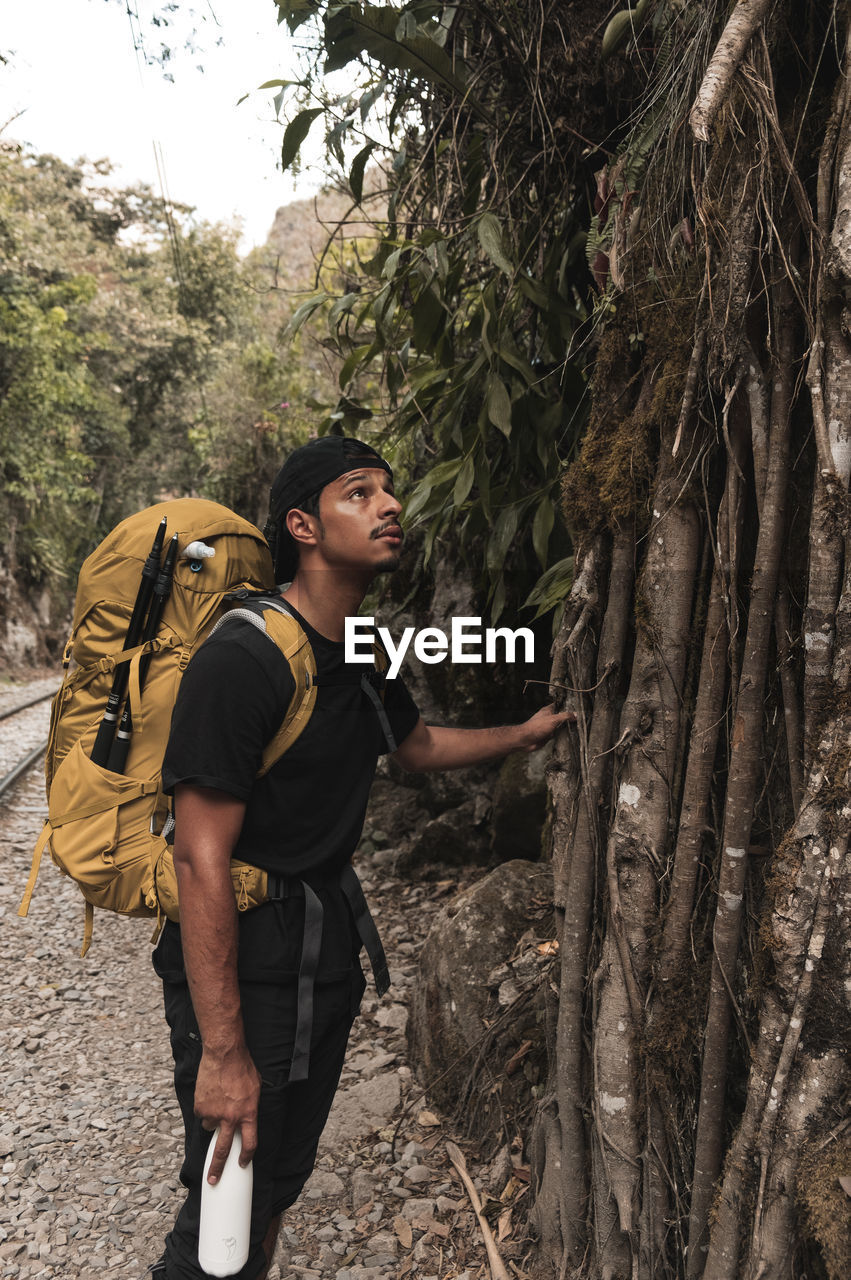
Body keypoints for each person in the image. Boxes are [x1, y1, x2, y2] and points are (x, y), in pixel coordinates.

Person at [148, 436, 572, 1279]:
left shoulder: (366, 651)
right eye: (359, 492)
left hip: (325, 949)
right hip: (253, 960)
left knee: (276, 1184)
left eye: (388, 490)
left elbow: (413, 747)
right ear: (302, 525)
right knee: (225, 1207)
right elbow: (199, 860)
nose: (388, 507)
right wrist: (226, 1053)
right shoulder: (242, 659)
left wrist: (521, 735)